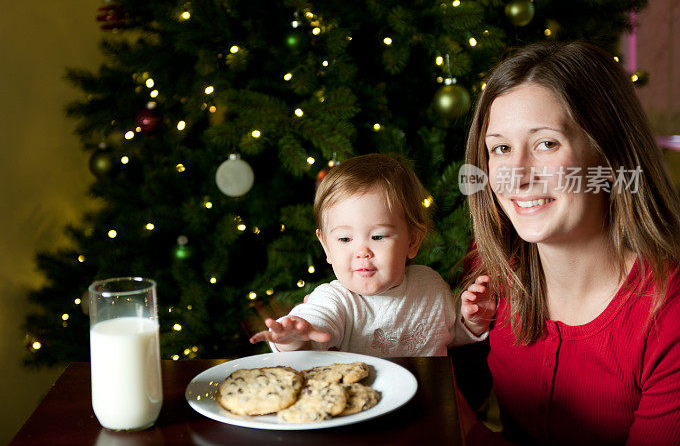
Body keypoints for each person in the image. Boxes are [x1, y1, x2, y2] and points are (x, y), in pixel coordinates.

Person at [458, 41, 680, 445]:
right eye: (501, 148)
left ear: (609, 156)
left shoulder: (669, 314)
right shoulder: (493, 273)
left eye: (546, 143)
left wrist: (469, 434)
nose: (516, 175)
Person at [250, 153, 482, 356]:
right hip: (362, 404)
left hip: (427, 400)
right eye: (344, 239)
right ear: (326, 247)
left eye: (378, 237)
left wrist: (472, 321)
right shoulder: (336, 300)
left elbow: (450, 335)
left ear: (413, 240)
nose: (362, 252)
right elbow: (315, 326)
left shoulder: (430, 285)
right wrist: (295, 336)